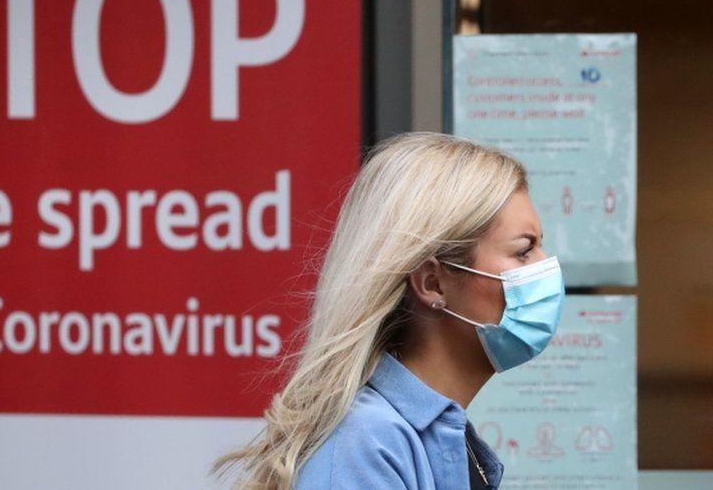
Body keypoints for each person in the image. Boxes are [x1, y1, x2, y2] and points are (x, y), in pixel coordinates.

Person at [209, 132, 565, 489]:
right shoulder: (364, 446)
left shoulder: (433, 439)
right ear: (433, 283)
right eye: (523, 251)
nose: (546, 266)